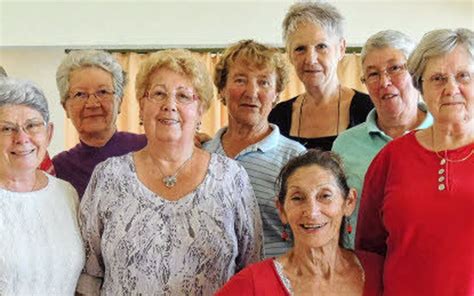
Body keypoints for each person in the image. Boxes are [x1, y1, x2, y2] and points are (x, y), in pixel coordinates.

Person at [77, 49, 263, 295]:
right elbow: (89, 274)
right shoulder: (109, 176)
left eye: (184, 96)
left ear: (200, 110)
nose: (170, 105)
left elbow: (251, 269)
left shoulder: (231, 177)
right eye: (158, 94)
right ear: (142, 107)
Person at [356, 28, 474, 296]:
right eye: (438, 78)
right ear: (420, 86)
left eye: (463, 76)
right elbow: (369, 252)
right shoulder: (391, 158)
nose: (451, 88)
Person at [216, 150, 383, 295]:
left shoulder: (380, 272)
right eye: (298, 198)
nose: (311, 212)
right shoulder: (253, 282)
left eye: (325, 196)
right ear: (282, 210)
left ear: (349, 202)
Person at [332, 30, 433, 249]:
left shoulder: (447, 134)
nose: (384, 82)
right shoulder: (345, 145)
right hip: (364, 268)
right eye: (373, 74)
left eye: (395, 68)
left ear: (416, 73)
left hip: (432, 269)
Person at [204, 40, 305, 257]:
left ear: (277, 94)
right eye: (240, 80)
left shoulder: (296, 159)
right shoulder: (201, 154)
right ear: (222, 90)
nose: (251, 92)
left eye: (264, 82)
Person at [0, 77, 84, 294]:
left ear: (49, 133)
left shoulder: (66, 194)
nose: (22, 138)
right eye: (7, 129)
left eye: (32, 125)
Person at [269, 1, 373, 150]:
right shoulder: (276, 117)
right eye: (300, 49)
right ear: (290, 55)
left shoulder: (369, 111)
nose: (310, 59)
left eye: (321, 46)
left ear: (341, 49)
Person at [53, 50, 147, 197]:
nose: (92, 104)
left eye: (102, 92)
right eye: (80, 94)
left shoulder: (146, 148)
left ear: (119, 101)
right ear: (65, 107)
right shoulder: (60, 168)